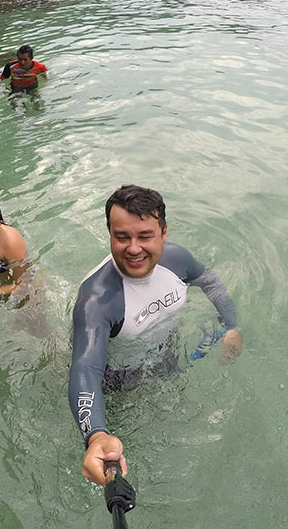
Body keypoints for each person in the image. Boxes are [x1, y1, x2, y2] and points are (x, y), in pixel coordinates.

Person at [68, 185, 243, 486]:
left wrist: (232, 327)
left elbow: (210, 281)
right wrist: (96, 435)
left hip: (164, 351)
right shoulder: (97, 303)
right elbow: (86, 369)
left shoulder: (177, 260)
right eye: (121, 237)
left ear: (163, 233)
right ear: (110, 234)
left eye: (145, 236)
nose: (134, 249)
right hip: (116, 374)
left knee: (181, 402)